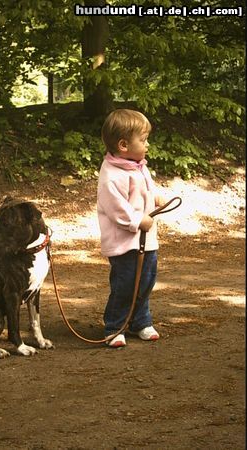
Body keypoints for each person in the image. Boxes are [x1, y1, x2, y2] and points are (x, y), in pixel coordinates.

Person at [97, 109, 166, 348]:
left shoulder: (138, 165)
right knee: (126, 283)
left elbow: (145, 188)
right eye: (144, 140)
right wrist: (137, 221)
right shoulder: (111, 175)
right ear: (124, 145)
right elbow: (116, 209)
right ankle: (114, 327)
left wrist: (156, 197)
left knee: (146, 280)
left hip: (146, 240)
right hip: (124, 243)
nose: (148, 144)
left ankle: (140, 321)